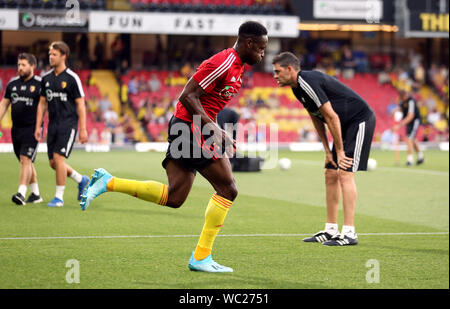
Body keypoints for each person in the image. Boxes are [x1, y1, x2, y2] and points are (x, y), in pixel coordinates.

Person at [80, 21, 268, 272]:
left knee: (175, 197)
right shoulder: (223, 61)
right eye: (261, 48)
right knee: (228, 189)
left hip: (193, 127)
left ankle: (109, 182)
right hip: (191, 127)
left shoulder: (237, 66)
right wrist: (212, 127)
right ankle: (201, 257)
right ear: (249, 43)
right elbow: (187, 95)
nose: (263, 54)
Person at [272, 52, 376, 246]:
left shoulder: (307, 81)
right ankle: (330, 229)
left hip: (359, 120)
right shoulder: (297, 88)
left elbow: (331, 117)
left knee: (345, 173)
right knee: (330, 173)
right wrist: (328, 152)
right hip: (342, 125)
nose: (275, 76)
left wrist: (340, 152)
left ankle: (350, 232)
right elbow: (316, 116)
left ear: (289, 69)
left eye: (277, 71)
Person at [34, 41, 89, 207]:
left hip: (68, 124)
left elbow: (80, 104)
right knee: (53, 163)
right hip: (53, 125)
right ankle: (81, 180)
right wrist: (38, 126)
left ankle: (59, 198)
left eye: (54, 54)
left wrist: (83, 129)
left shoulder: (72, 78)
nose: (50, 57)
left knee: (58, 159)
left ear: (63, 56)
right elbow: (42, 103)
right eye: (50, 54)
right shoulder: (46, 78)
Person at [0, 53, 43, 205]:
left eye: (23, 65)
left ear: (32, 66)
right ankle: (36, 195)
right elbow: (4, 104)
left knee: (26, 159)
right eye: (19, 65)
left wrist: (40, 126)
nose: (20, 68)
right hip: (16, 129)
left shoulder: (40, 84)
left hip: (32, 129)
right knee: (26, 162)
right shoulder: (12, 84)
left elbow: (45, 107)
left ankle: (21, 193)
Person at [392, 90, 424, 166]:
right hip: (409, 122)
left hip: (414, 121)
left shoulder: (411, 101)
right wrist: (395, 110)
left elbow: (411, 116)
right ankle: (420, 157)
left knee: (409, 139)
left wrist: (399, 125)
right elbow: (401, 108)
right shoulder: (402, 102)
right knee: (413, 139)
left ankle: (410, 160)